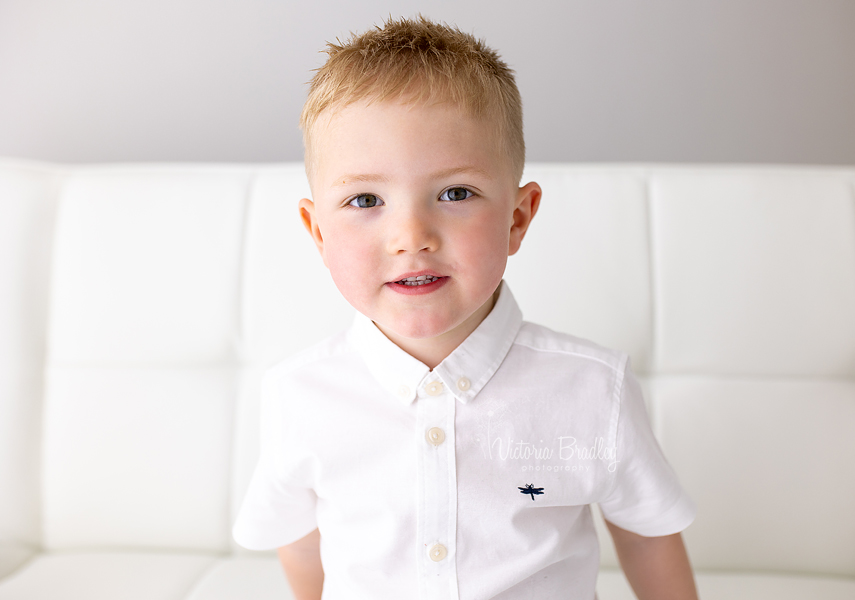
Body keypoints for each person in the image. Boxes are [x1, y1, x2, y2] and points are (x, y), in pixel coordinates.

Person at [233, 16, 698, 600]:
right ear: (317, 231)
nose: (411, 234)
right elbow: (301, 543)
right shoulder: (300, 394)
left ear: (517, 218)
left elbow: (647, 534)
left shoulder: (591, 388)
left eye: (455, 193)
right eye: (365, 199)